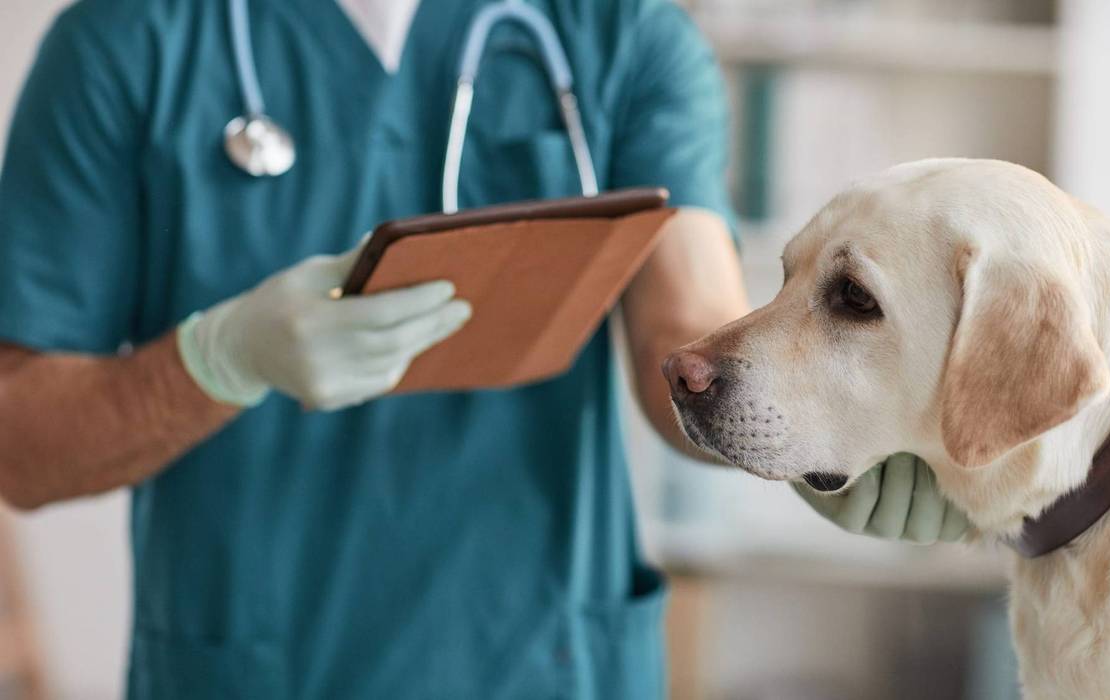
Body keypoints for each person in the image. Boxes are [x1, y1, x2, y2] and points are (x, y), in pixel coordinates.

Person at [0, 0, 751, 696]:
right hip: (257, 669)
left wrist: (814, 424)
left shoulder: (621, 34)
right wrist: (218, 360)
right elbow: (18, 445)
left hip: (542, 662)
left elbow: (688, 334)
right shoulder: (126, 42)